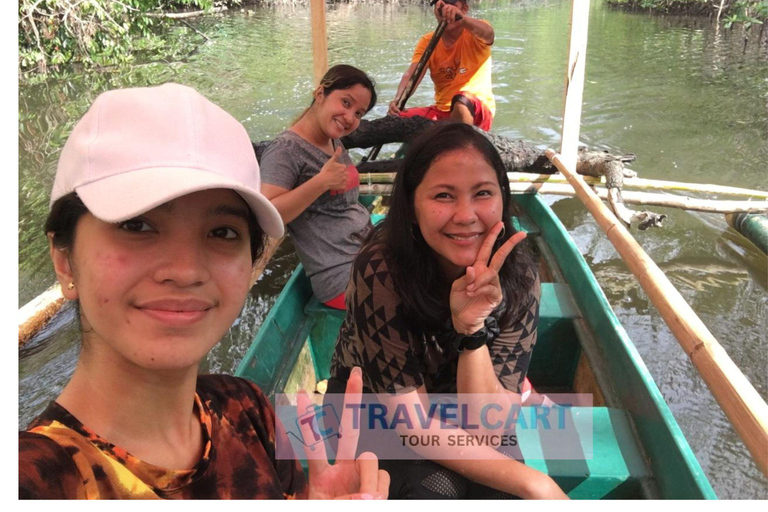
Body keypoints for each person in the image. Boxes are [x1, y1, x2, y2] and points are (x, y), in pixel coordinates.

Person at [18, 83, 389, 499]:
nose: (186, 271)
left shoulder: (245, 408)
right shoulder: (35, 480)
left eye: (222, 232)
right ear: (65, 258)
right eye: (136, 225)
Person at [327, 122, 568, 499]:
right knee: (438, 492)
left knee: (504, 495)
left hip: (462, 395)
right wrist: (538, 483)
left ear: (502, 197)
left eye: (483, 193)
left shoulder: (519, 276)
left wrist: (472, 330)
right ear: (411, 204)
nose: (466, 216)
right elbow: (413, 424)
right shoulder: (381, 269)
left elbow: (489, 425)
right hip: (373, 403)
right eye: (443, 196)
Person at [260, 65, 377, 310]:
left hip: (366, 252)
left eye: (359, 113)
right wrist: (321, 182)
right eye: (346, 103)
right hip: (341, 277)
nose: (350, 118)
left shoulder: (331, 140)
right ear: (321, 93)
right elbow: (268, 215)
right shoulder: (286, 150)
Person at [388, 0, 496, 131]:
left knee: (461, 100)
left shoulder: (475, 32)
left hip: (475, 109)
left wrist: (461, 18)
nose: (446, 11)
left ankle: (460, 143)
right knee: (396, 119)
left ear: (465, 9)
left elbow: (488, 34)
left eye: (452, 5)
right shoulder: (427, 42)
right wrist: (398, 100)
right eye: (441, 6)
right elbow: (412, 74)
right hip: (442, 111)